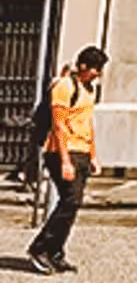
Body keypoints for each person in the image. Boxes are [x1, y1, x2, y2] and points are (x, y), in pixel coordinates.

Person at [28, 44, 106, 275]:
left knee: (73, 204)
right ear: (82, 66)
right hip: (61, 151)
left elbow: (87, 123)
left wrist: (92, 155)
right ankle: (39, 248)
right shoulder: (64, 87)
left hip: (81, 151)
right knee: (70, 201)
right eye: (95, 68)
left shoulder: (88, 89)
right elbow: (59, 125)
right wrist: (64, 160)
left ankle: (55, 252)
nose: (98, 73)